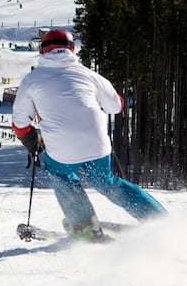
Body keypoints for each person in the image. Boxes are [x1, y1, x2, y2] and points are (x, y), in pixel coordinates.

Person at [11, 29, 165, 241]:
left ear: (43, 50)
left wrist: (32, 141)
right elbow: (116, 106)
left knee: (59, 174)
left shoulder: (32, 79)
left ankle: (85, 226)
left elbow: (20, 124)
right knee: (106, 182)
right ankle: (158, 219)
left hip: (62, 149)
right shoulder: (88, 74)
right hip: (97, 145)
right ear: (72, 49)